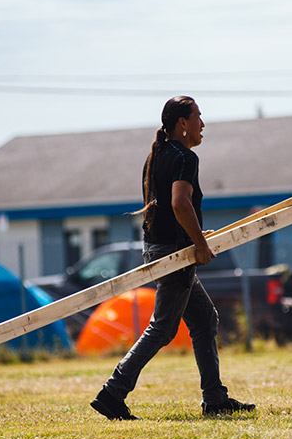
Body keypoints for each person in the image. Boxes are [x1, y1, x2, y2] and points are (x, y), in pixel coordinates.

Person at [90, 96, 256, 420]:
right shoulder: (185, 157)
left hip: (156, 247)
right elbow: (180, 204)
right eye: (198, 117)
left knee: (204, 318)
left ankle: (215, 398)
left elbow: (167, 211)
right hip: (173, 254)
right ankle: (112, 392)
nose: (202, 124)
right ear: (183, 123)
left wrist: (197, 236)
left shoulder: (156, 156)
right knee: (163, 328)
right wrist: (199, 245)